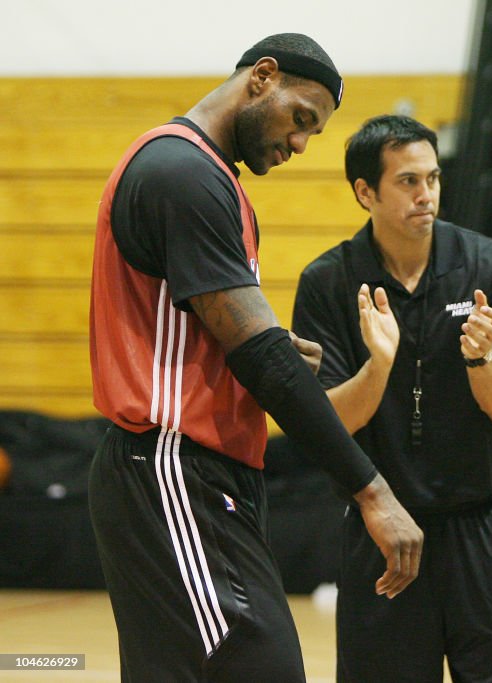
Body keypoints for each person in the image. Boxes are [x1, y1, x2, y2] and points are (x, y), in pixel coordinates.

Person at [88, 34, 422, 682]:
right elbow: (261, 358)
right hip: (173, 468)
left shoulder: (209, 179)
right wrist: (373, 490)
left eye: (313, 134)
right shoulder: (181, 173)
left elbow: (224, 335)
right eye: (302, 119)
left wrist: (257, 349)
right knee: (260, 667)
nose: (300, 144)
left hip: (192, 475)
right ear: (263, 77)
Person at [290, 114, 492, 682]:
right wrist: (380, 364)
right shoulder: (328, 282)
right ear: (365, 192)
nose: (426, 194)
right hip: (384, 529)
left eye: (432, 178)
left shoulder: (490, 264)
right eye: (407, 181)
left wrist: (480, 359)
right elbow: (330, 425)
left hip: (487, 528)